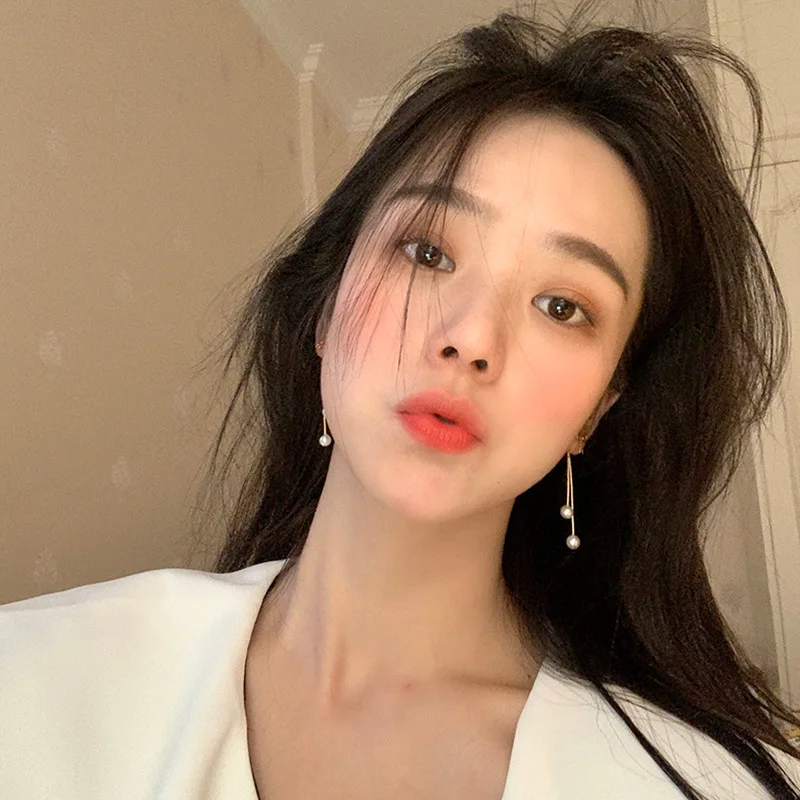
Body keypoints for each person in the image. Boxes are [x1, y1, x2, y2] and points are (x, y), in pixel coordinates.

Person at [1, 5, 799, 799]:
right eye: (427, 251)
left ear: (596, 410)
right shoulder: (37, 677)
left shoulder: (707, 784)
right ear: (324, 308)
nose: (472, 339)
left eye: (562, 306)